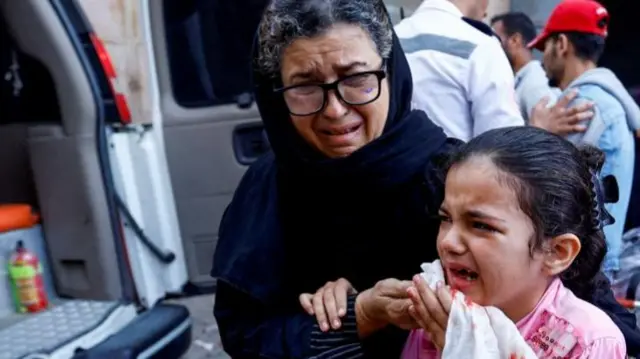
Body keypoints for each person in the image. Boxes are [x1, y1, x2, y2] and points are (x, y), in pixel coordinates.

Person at [210, 0, 640, 358]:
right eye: (304, 86)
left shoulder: (450, 176)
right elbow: (245, 335)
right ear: (274, 93)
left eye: (357, 79)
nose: (336, 109)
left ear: (390, 72)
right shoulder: (268, 192)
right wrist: (359, 316)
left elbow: (586, 312)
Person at [400, 126, 625, 358]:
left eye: (481, 225)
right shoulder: (441, 316)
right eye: (446, 218)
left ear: (556, 252)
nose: (448, 242)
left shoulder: (586, 342)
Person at [529, 0, 640, 282]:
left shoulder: (580, 106)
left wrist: (537, 132)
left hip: (579, 267)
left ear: (562, 44)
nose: (542, 60)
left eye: (545, 48)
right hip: (594, 260)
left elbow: (538, 186)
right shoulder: (609, 100)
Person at [393, 0, 589, 141]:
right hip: (455, 192)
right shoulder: (481, 46)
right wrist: (539, 131)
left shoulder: (390, 38)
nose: (486, 11)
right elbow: (503, 151)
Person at [491, 12, 561, 122]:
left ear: (515, 40)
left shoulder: (534, 83)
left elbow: (548, 132)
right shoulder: (522, 79)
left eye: (495, 40)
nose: (490, 45)